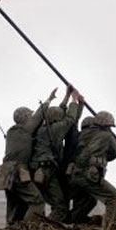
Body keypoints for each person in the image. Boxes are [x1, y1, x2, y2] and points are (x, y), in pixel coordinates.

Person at [0, 88, 57, 223]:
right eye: (29, 116)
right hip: (17, 171)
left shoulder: (12, 133)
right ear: (24, 118)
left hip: (7, 173)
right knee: (37, 202)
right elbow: (38, 117)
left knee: (15, 207)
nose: (31, 118)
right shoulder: (22, 129)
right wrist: (48, 100)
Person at [29, 86, 84, 222]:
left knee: (55, 204)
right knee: (60, 208)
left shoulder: (42, 129)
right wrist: (74, 100)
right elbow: (70, 119)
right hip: (47, 171)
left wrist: (66, 96)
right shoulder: (56, 129)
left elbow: (60, 113)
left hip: (38, 170)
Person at [69, 111, 116, 229]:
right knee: (115, 199)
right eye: (109, 126)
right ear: (105, 125)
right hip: (90, 176)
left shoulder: (83, 134)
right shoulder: (106, 136)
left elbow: (105, 156)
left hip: (75, 175)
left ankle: (71, 225)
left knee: (88, 202)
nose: (110, 128)